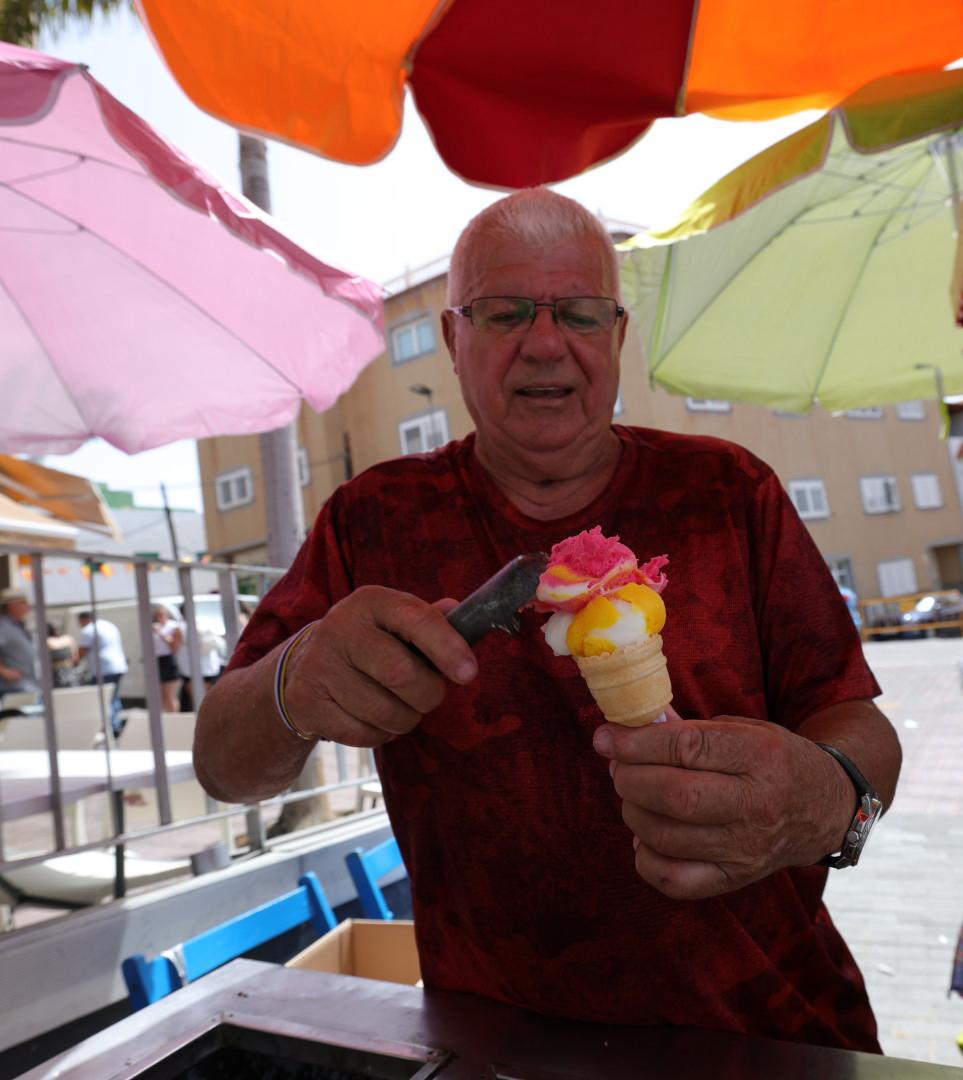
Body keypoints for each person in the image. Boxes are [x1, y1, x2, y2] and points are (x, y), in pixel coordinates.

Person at [195, 190, 901, 1051]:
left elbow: (858, 722)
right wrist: (291, 683)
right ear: (454, 342)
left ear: (616, 337)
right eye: (502, 312)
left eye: (577, 312)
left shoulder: (727, 492)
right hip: (498, 1046)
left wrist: (831, 805)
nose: (543, 341)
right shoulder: (371, 519)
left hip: (773, 1031)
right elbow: (222, 765)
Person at [75, 611, 128, 734]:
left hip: (103, 669)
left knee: (103, 699)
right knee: (113, 697)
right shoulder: (108, 625)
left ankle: (110, 727)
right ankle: (116, 725)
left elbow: (82, 652)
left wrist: (73, 663)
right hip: (118, 666)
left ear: (83, 619)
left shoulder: (88, 629)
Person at [0, 587, 40, 700]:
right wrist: (3, 671)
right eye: (23, 603)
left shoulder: (17, 626)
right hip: (13, 688)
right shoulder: (3, 626)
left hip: (26, 685)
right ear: (11, 605)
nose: (28, 606)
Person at [175, 604, 226, 712]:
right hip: (210, 667)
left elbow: (174, 647)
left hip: (191, 670)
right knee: (206, 697)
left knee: (195, 699)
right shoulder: (204, 623)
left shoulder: (181, 627)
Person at [150, 605, 182, 713]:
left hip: (169, 660)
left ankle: (174, 716)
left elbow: (174, 647)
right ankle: (168, 716)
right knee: (163, 695)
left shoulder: (173, 627)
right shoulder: (155, 627)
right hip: (158, 661)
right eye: (157, 616)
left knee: (170, 695)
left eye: (161, 615)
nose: (159, 618)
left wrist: (161, 633)